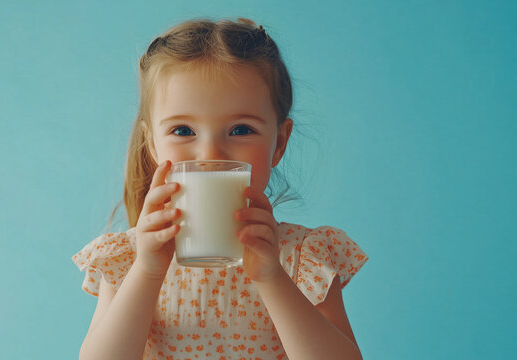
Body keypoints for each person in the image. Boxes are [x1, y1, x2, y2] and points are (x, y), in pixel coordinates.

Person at [72, 17, 369, 360]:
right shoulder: (129, 259)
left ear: (279, 144)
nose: (210, 156)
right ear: (153, 145)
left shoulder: (301, 258)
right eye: (183, 131)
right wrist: (147, 271)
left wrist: (272, 277)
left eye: (241, 130)